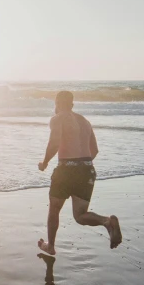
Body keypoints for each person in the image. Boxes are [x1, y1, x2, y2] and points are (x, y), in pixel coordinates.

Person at [37, 90, 121, 256]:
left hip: (67, 170)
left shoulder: (57, 118)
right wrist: (82, 166)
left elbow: (54, 143)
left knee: (54, 208)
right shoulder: (85, 121)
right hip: (87, 169)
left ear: (57, 103)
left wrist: (45, 162)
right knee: (80, 215)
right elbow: (94, 150)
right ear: (72, 104)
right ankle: (106, 221)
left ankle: (51, 246)